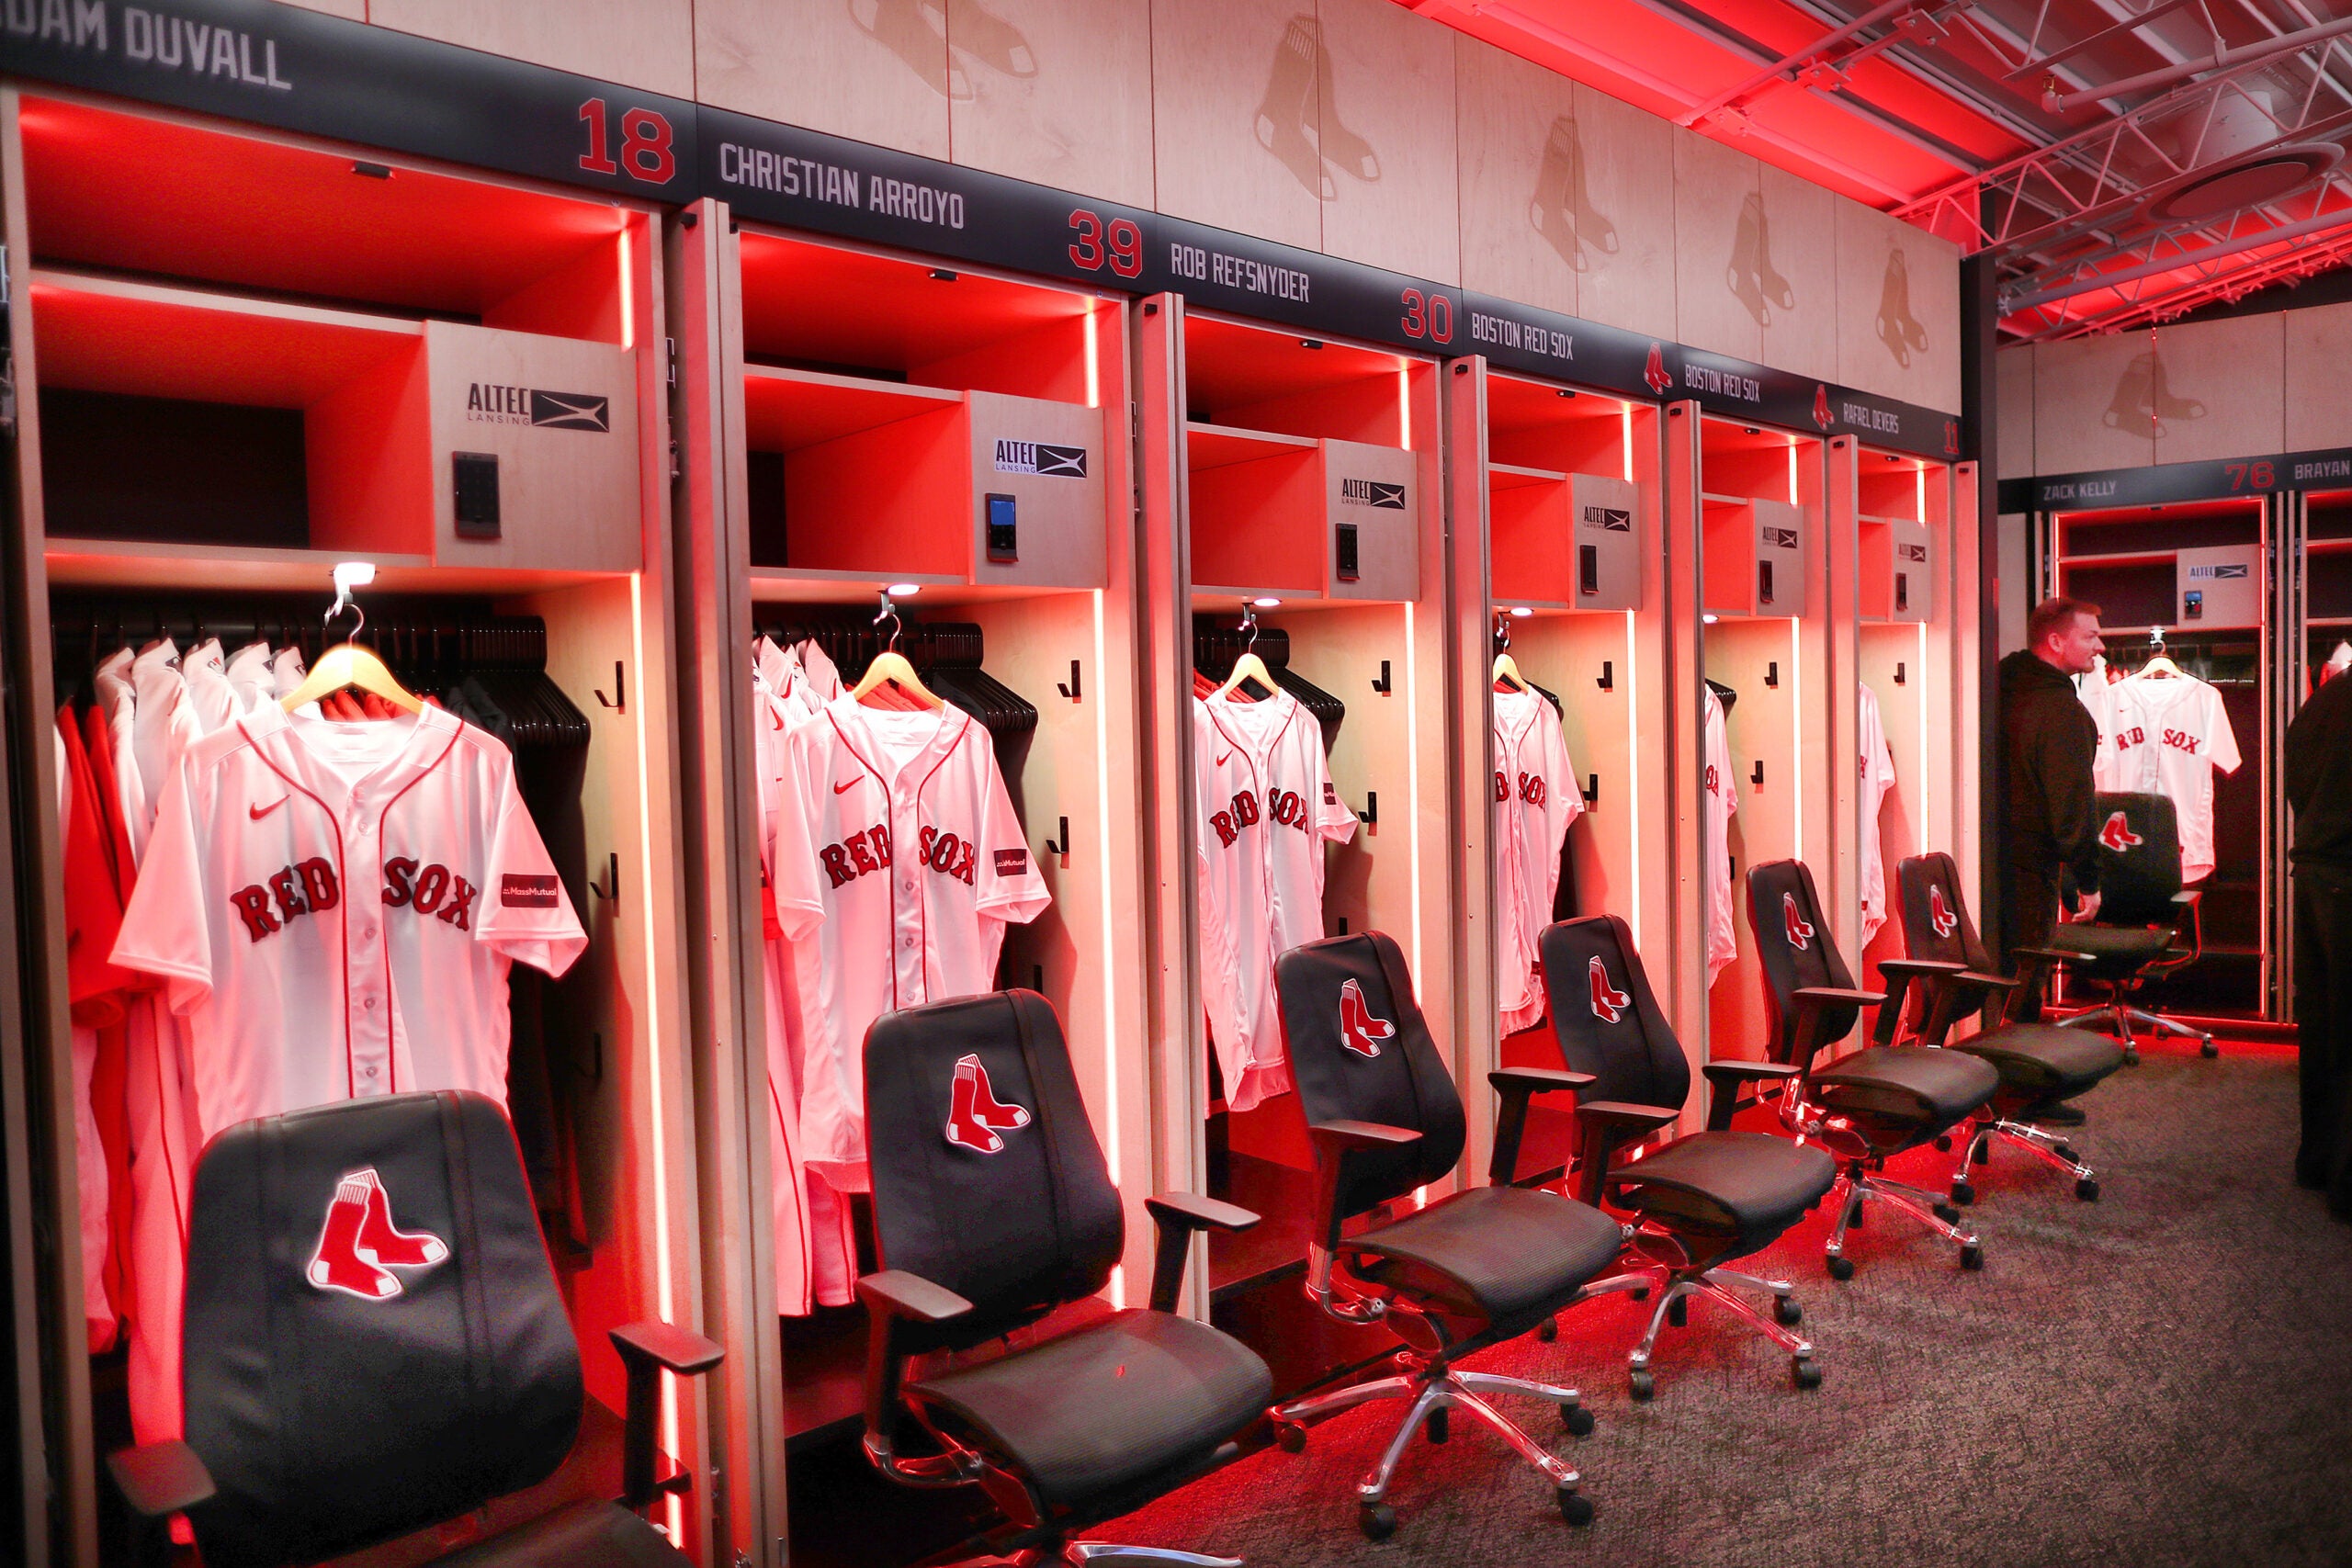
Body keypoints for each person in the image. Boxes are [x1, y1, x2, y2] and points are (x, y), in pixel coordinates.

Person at [1997, 597, 2106, 1020]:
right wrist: (2088, 879)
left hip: (1983, 861)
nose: (2100, 647)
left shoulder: (1994, 688)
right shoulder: (2060, 711)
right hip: (2030, 868)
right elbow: (2072, 803)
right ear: (2057, 641)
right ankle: (2018, 1078)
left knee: (1996, 976)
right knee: (2025, 979)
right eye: (2091, 636)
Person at [2287, 663, 2352, 1221]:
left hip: (2313, 870)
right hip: (2347, 871)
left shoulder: (2324, 699)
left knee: (2324, 1024)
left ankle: (2318, 1160)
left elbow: (2295, 784)